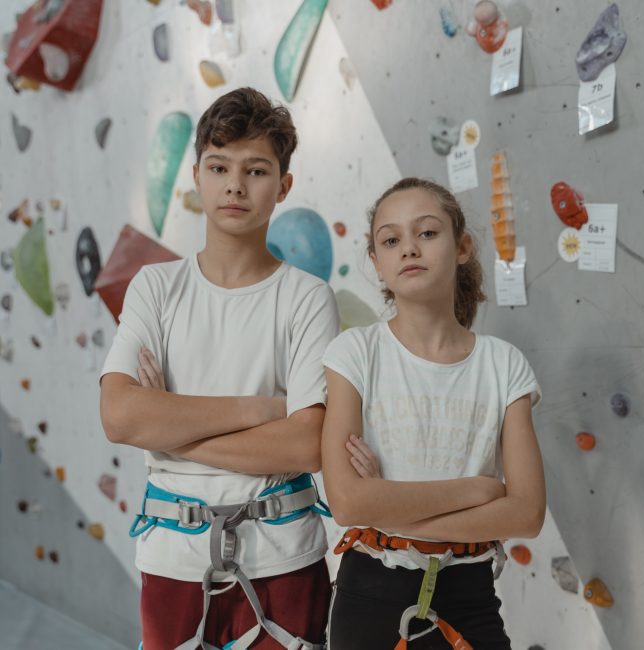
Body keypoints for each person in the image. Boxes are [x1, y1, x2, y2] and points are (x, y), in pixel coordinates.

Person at [99, 87, 339, 650]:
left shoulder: (307, 298)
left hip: (284, 555)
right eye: (219, 166)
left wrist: (172, 432)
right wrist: (263, 411)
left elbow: (306, 445)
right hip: (172, 553)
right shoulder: (156, 287)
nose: (235, 184)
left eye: (256, 170)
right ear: (196, 176)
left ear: (283, 186)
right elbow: (120, 417)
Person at [321, 177, 545, 649]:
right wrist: (478, 491)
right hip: (368, 596)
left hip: (469, 597)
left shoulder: (503, 365)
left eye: (426, 233)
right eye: (391, 240)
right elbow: (348, 504)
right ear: (377, 263)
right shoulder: (354, 354)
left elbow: (526, 513)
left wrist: (390, 505)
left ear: (462, 247)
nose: (409, 249)